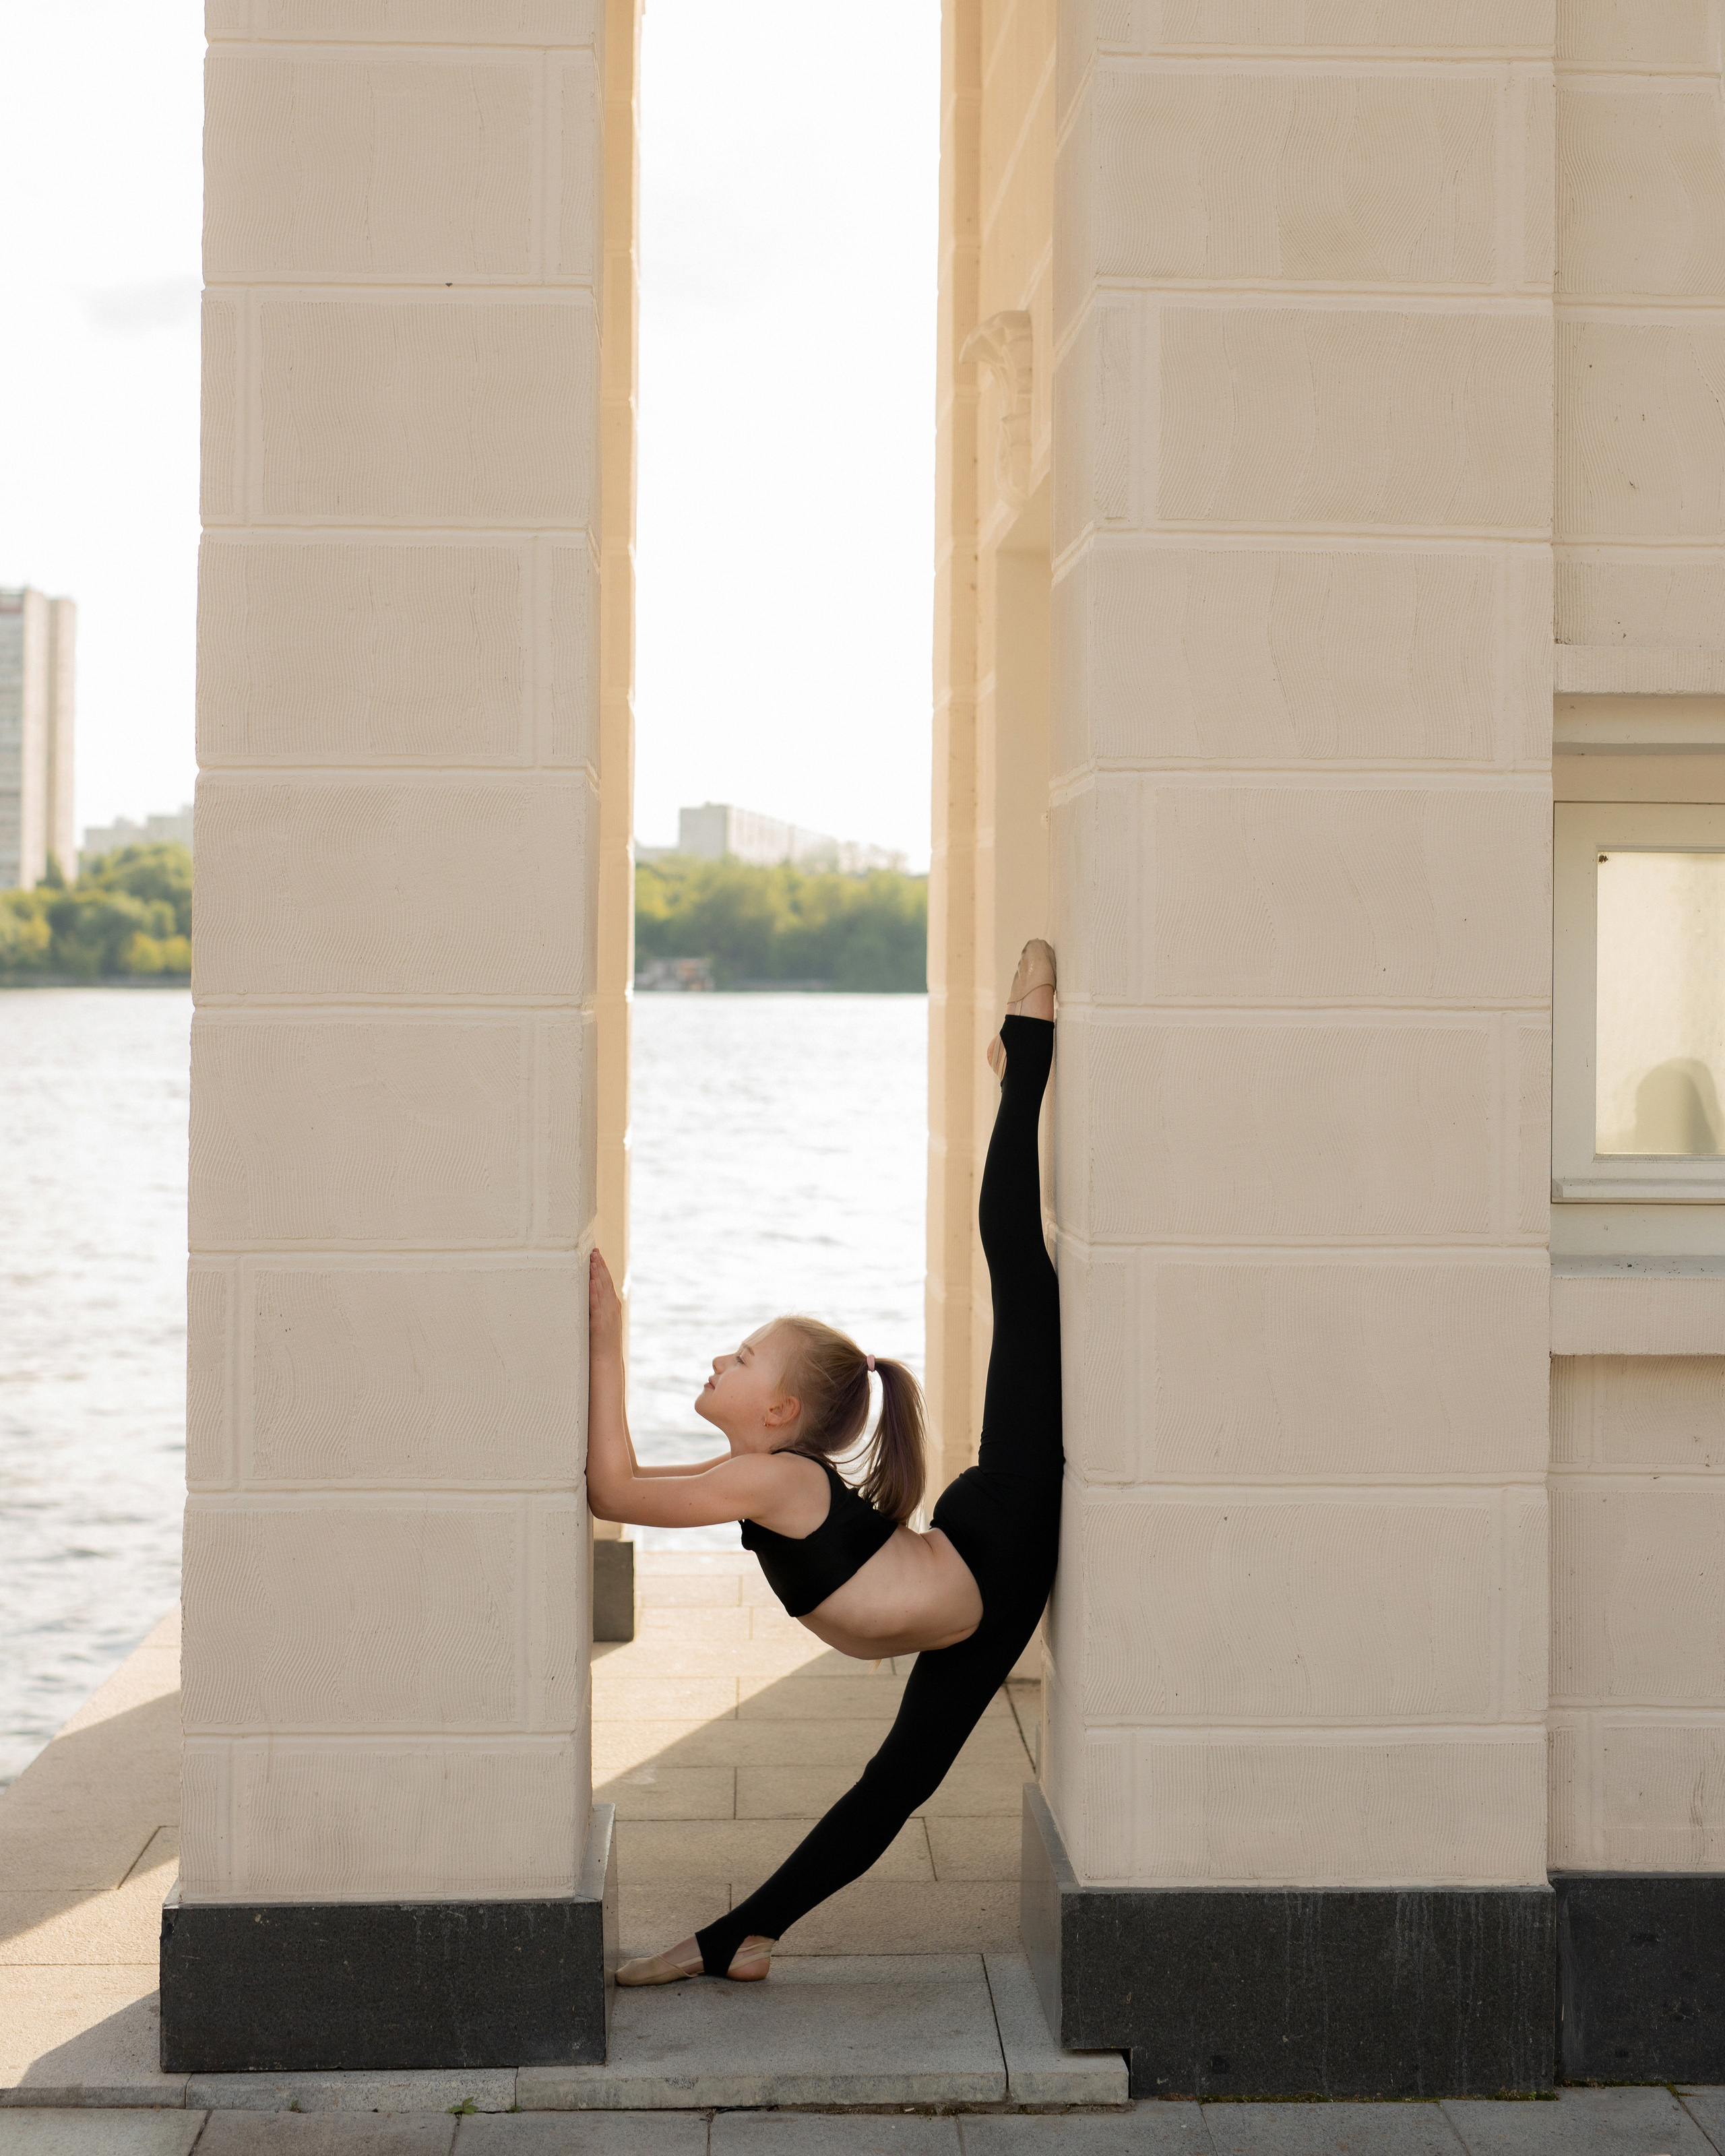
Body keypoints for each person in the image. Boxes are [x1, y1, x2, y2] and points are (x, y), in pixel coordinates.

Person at [586, 939, 1063, 1984]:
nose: (721, 1356)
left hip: (1005, 1536)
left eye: (743, 1355)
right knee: (890, 1791)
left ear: (783, 1411)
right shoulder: (766, 1476)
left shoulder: (780, 1479)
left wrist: (605, 1341)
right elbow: (615, 1486)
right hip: (974, 1572)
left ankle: (1029, 1047)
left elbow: (611, 1489)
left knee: (1022, 1272)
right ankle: (740, 1940)